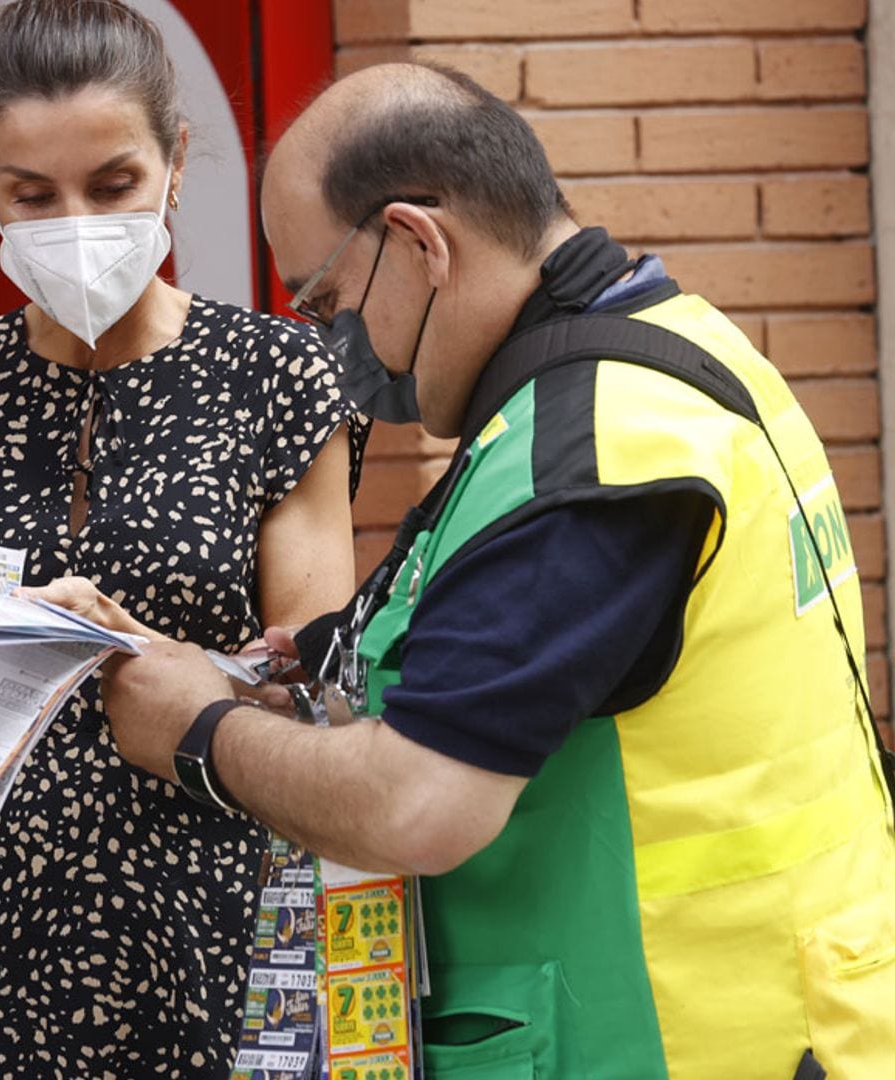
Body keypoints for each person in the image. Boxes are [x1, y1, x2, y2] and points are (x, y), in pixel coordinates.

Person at [103, 61, 895, 1077]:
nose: (331, 342)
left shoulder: (590, 453)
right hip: (784, 1012)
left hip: (677, 1037)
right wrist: (326, 650)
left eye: (329, 299)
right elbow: (547, 629)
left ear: (419, 242)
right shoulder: (669, 348)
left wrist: (197, 732)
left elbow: (418, 805)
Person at [0, 1, 365, 1073]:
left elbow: (317, 707)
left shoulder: (279, 377)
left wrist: (148, 653)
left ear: (176, 162)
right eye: (32, 195)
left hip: (214, 936)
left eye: (112, 186)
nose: (76, 222)